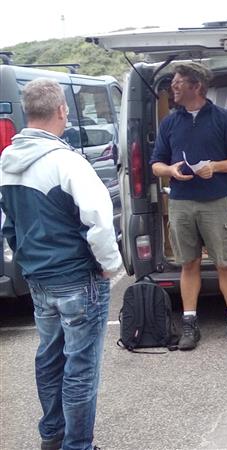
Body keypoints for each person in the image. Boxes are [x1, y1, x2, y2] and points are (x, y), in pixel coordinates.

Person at [0, 78, 122, 450]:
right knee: (81, 368)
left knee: (50, 358)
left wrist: (29, 259)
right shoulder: (66, 162)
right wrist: (109, 264)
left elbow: (10, 224)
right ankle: (78, 445)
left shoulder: (7, 161)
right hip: (77, 277)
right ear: (61, 111)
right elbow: (99, 220)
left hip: (39, 278)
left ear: (27, 112)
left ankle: (52, 436)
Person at [150, 63, 227, 350]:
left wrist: (215, 167)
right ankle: (189, 323)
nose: (173, 87)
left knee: (225, 263)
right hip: (181, 203)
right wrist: (169, 170)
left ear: (196, 86)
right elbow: (156, 164)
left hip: (216, 202)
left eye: (178, 82)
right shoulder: (170, 122)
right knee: (189, 263)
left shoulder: (223, 118)